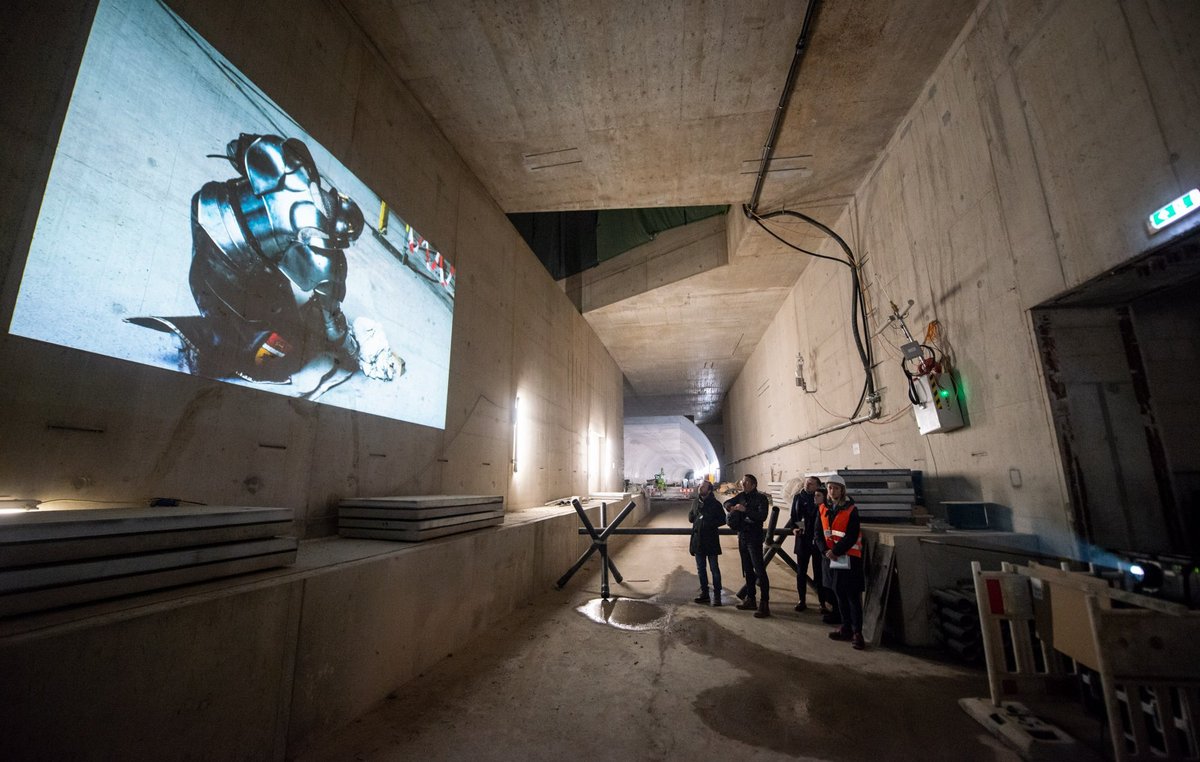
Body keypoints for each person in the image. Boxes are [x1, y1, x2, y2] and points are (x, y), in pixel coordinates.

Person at [820, 474, 866, 649]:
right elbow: (820, 532)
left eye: (836, 488)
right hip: (833, 560)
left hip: (849, 559)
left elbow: (852, 535)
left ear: (842, 490)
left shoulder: (851, 509)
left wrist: (835, 551)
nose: (832, 491)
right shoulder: (824, 509)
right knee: (839, 594)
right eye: (830, 488)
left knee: (852, 596)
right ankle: (845, 628)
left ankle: (857, 633)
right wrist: (825, 551)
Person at [724, 474, 771, 618]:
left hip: (754, 538)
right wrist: (731, 507)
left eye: (746, 482)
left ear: (754, 484)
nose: (743, 485)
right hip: (742, 536)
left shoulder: (761, 498)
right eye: (743, 482)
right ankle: (750, 598)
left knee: (759, 570)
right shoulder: (741, 496)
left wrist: (745, 510)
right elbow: (726, 503)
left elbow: (762, 516)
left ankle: (764, 603)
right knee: (747, 569)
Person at [787, 476, 835, 616]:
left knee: (819, 573)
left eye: (811, 484)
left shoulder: (822, 499)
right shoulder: (798, 498)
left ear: (818, 486)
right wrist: (794, 528)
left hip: (818, 542)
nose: (807, 485)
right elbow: (794, 517)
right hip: (803, 540)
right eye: (807, 483)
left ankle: (822, 603)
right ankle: (802, 600)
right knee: (801, 572)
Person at [688, 481, 726, 606]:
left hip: (710, 540)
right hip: (698, 540)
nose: (700, 488)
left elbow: (722, 520)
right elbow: (691, 517)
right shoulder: (695, 502)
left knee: (714, 568)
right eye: (700, 486)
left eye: (703, 486)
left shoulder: (715, 504)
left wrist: (708, 523)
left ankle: (717, 595)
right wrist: (694, 516)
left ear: (709, 490)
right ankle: (705, 593)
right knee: (701, 569)